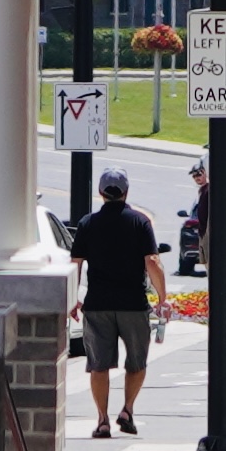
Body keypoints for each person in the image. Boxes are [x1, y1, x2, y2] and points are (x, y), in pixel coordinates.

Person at [71, 179, 169, 436]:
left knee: (99, 365)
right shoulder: (140, 222)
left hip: (98, 305)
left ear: (101, 193)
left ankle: (102, 420)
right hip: (133, 304)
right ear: (126, 192)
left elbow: (76, 263)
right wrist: (162, 297)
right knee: (137, 362)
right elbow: (153, 261)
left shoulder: (87, 224)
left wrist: (72, 298)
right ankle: (127, 410)